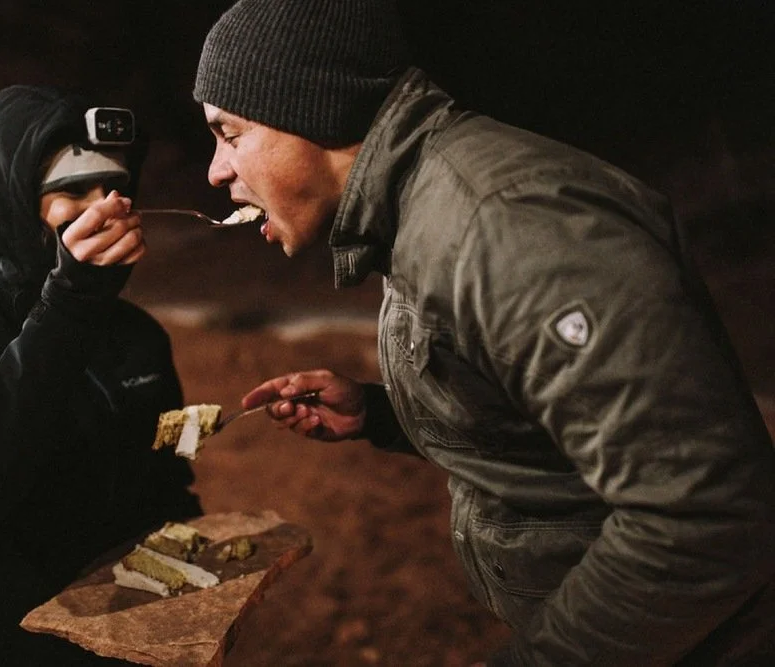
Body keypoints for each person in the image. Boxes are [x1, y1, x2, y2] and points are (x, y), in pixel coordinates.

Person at [192, 0, 775, 664]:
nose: (216, 170)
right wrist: (383, 414)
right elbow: (545, 423)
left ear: (312, 107)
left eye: (230, 133)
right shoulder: (416, 210)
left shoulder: (507, 228)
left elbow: (703, 514)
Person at [0, 85, 202, 665]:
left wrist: (189, 581)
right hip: (15, 643)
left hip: (134, 636)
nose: (103, 207)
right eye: (73, 191)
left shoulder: (141, 336)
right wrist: (69, 305)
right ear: (15, 203)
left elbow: (171, 475)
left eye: (115, 189)